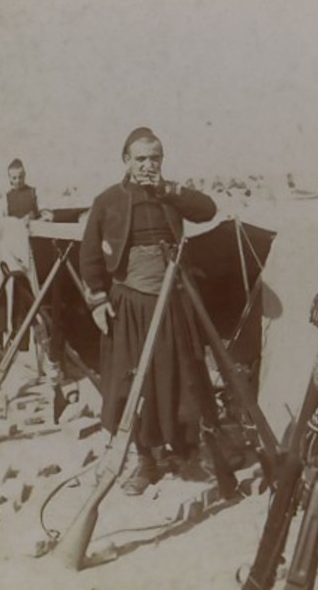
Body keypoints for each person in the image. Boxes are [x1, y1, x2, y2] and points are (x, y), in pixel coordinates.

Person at [82, 126, 218, 496]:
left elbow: (208, 210)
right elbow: (90, 254)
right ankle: (145, 459)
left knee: (177, 378)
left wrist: (168, 190)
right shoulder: (107, 200)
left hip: (172, 302)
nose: (147, 165)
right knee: (132, 385)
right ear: (126, 160)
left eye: (154, 158)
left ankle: (185, 448)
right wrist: (96, 300)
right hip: (129, 305)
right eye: (140, 158)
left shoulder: (172, 195)